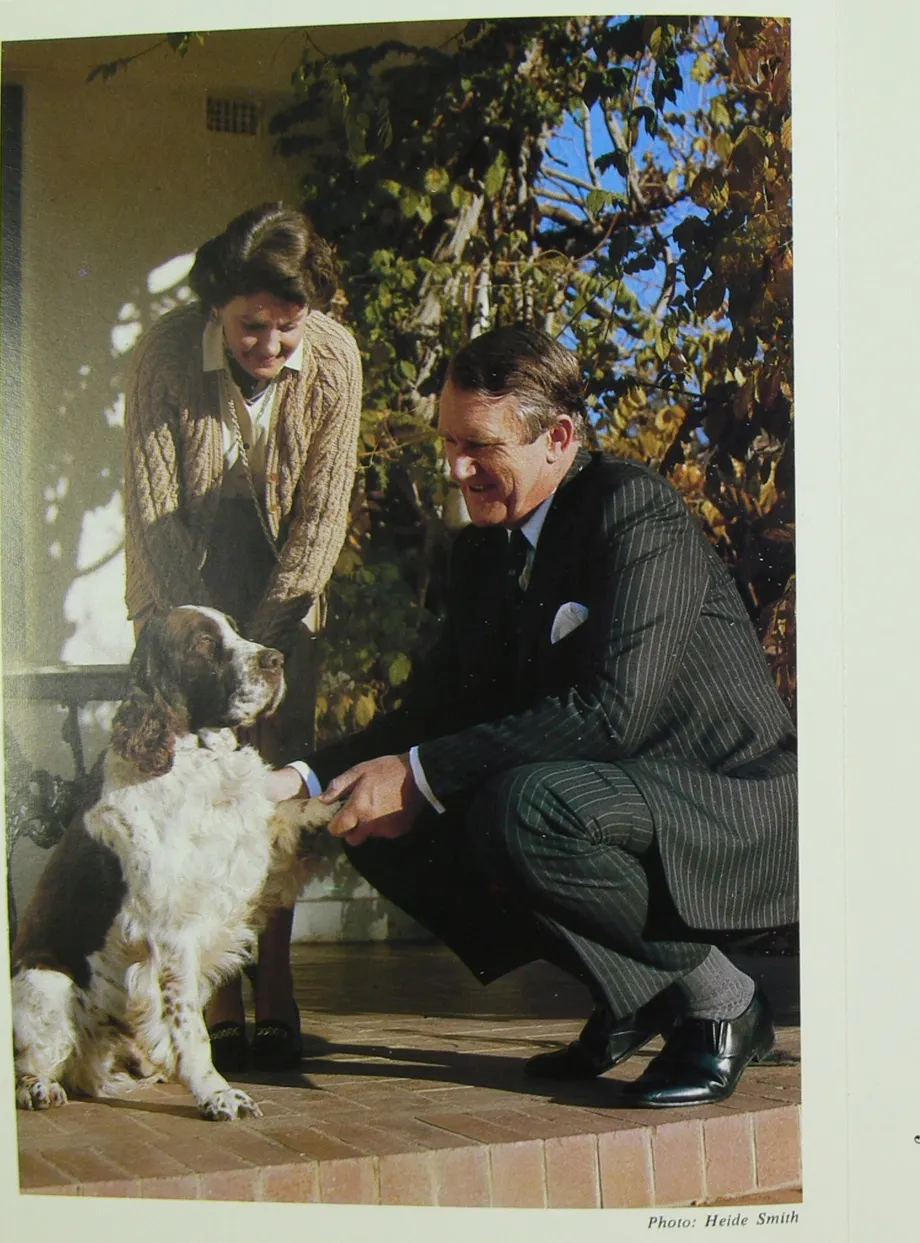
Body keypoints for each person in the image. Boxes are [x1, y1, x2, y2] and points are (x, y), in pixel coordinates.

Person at [265, 323, 797, 1107]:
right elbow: (437, 708)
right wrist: (308, 776)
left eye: (479, 445)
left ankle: (724, 1003)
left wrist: (419, 773)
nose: (456, 469)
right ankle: (639, 994)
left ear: (557, 437)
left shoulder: (632, 511)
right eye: (448, 442)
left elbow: (612, 712)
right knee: (367, 814)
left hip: (728, 799)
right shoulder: (482, 553)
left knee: (522, 805)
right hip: (620, 795)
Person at [123, 203, 363, 1072]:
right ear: (216, 307)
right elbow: (152, 513)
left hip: (282, 597)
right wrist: (203, 653)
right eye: (250, 325)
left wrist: (255, 652)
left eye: (286, 329)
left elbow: (320, 517)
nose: (269, 345)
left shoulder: (334, 356)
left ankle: (277, 976)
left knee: (271, 790)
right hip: (185, 595)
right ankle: (213, 983)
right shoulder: (163, 355)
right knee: (193, 792)